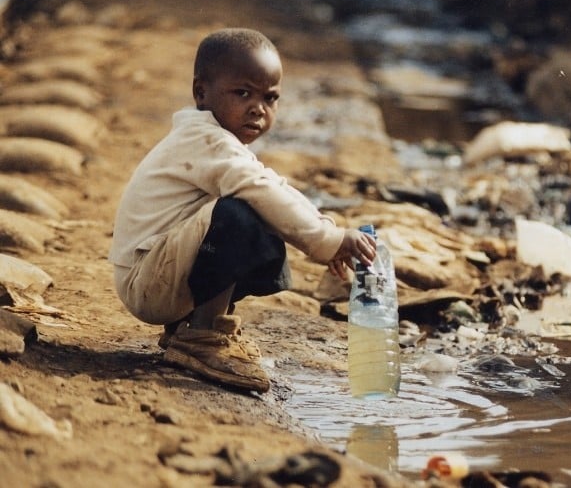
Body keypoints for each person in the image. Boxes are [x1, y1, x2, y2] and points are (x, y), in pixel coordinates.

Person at [108, 28, 376, 393]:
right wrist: (328, 240)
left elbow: (273, 187)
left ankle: (189, 327)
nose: (258, 108)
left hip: (159, 274)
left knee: (261, 215)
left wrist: (327, 230)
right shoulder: (205, 140)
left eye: (270, 98)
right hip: (147, 282)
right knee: (240, 214)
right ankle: (202, 337)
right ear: (201, 92)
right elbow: (262, 190)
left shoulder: (219, 142)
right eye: (243, 93)